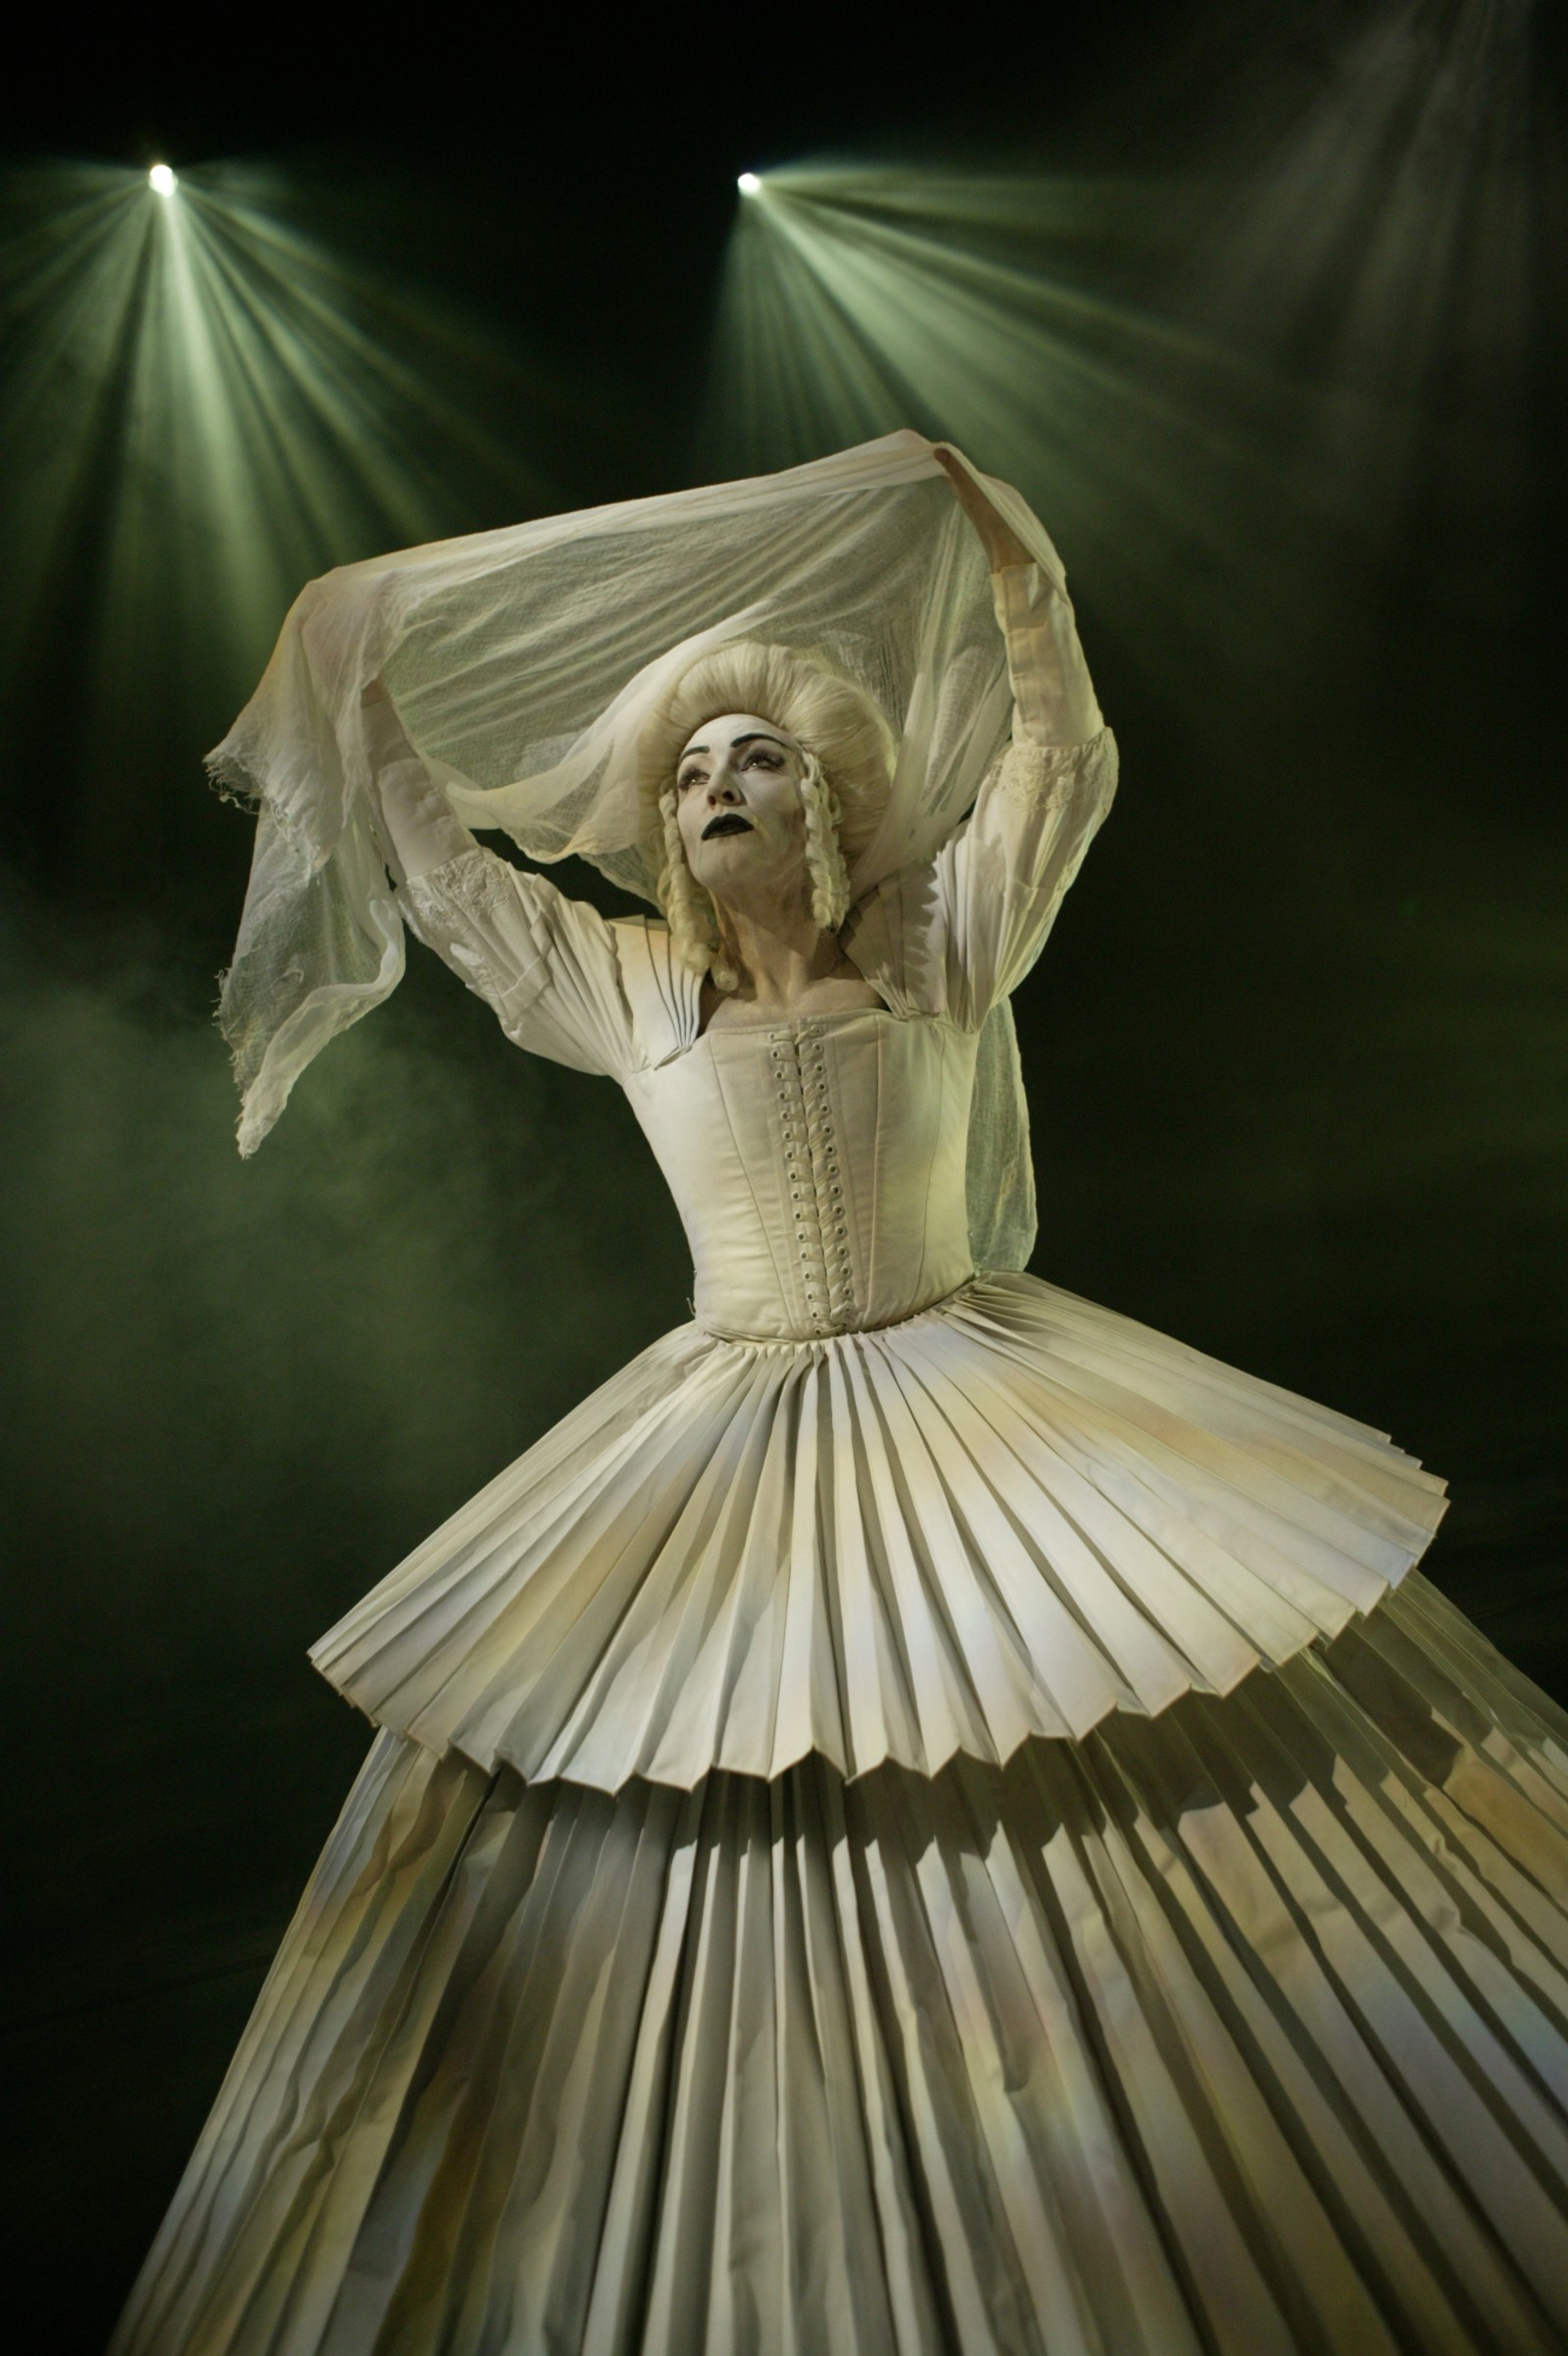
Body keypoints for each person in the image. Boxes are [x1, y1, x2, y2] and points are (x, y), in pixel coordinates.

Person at [113, 446, 1568, 2356]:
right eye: (694, 772)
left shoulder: (937, 952)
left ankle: (1111, 2132)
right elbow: (450, 882)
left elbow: (1054, 759)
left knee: (1034, 1719)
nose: (716, 783)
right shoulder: (628, 986)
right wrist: (363, 686)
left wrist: (1009, 563)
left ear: (826, 808)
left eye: (757, 761)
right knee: (743, 1760)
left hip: (970, 1387)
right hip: (730, 1427)